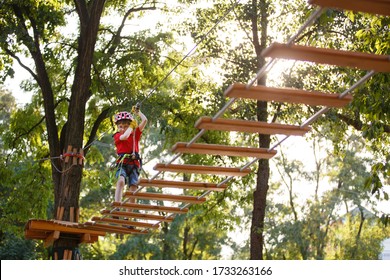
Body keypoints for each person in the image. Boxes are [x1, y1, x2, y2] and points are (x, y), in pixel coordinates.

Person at [113, 106, 148, 207]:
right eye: (120, 126)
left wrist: (138, 113)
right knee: (120, 181)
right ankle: (117, 205)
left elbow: (145, 120)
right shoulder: (117, 136)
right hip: (122, 163)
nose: (122, 129)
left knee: (133, 187)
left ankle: (128, 216)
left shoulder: (134, 134)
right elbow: (125, 137)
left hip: (134, 164)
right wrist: (131, 127)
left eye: (125, 126)